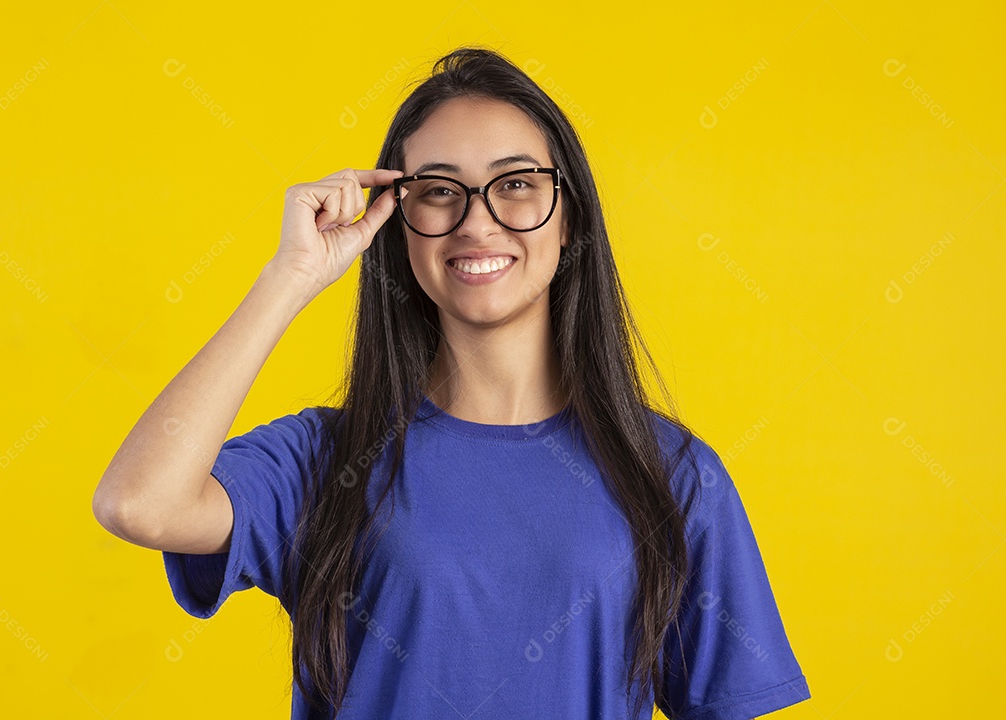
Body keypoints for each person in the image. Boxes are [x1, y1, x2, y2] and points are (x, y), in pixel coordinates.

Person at [92, 46, 811, 719]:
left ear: (569, 220)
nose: (478, 222)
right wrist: (290, 278)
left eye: (517, 185)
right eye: (439, 192)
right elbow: (138, 503)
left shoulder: (672, 475)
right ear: (397, 225)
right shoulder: (323, 460)